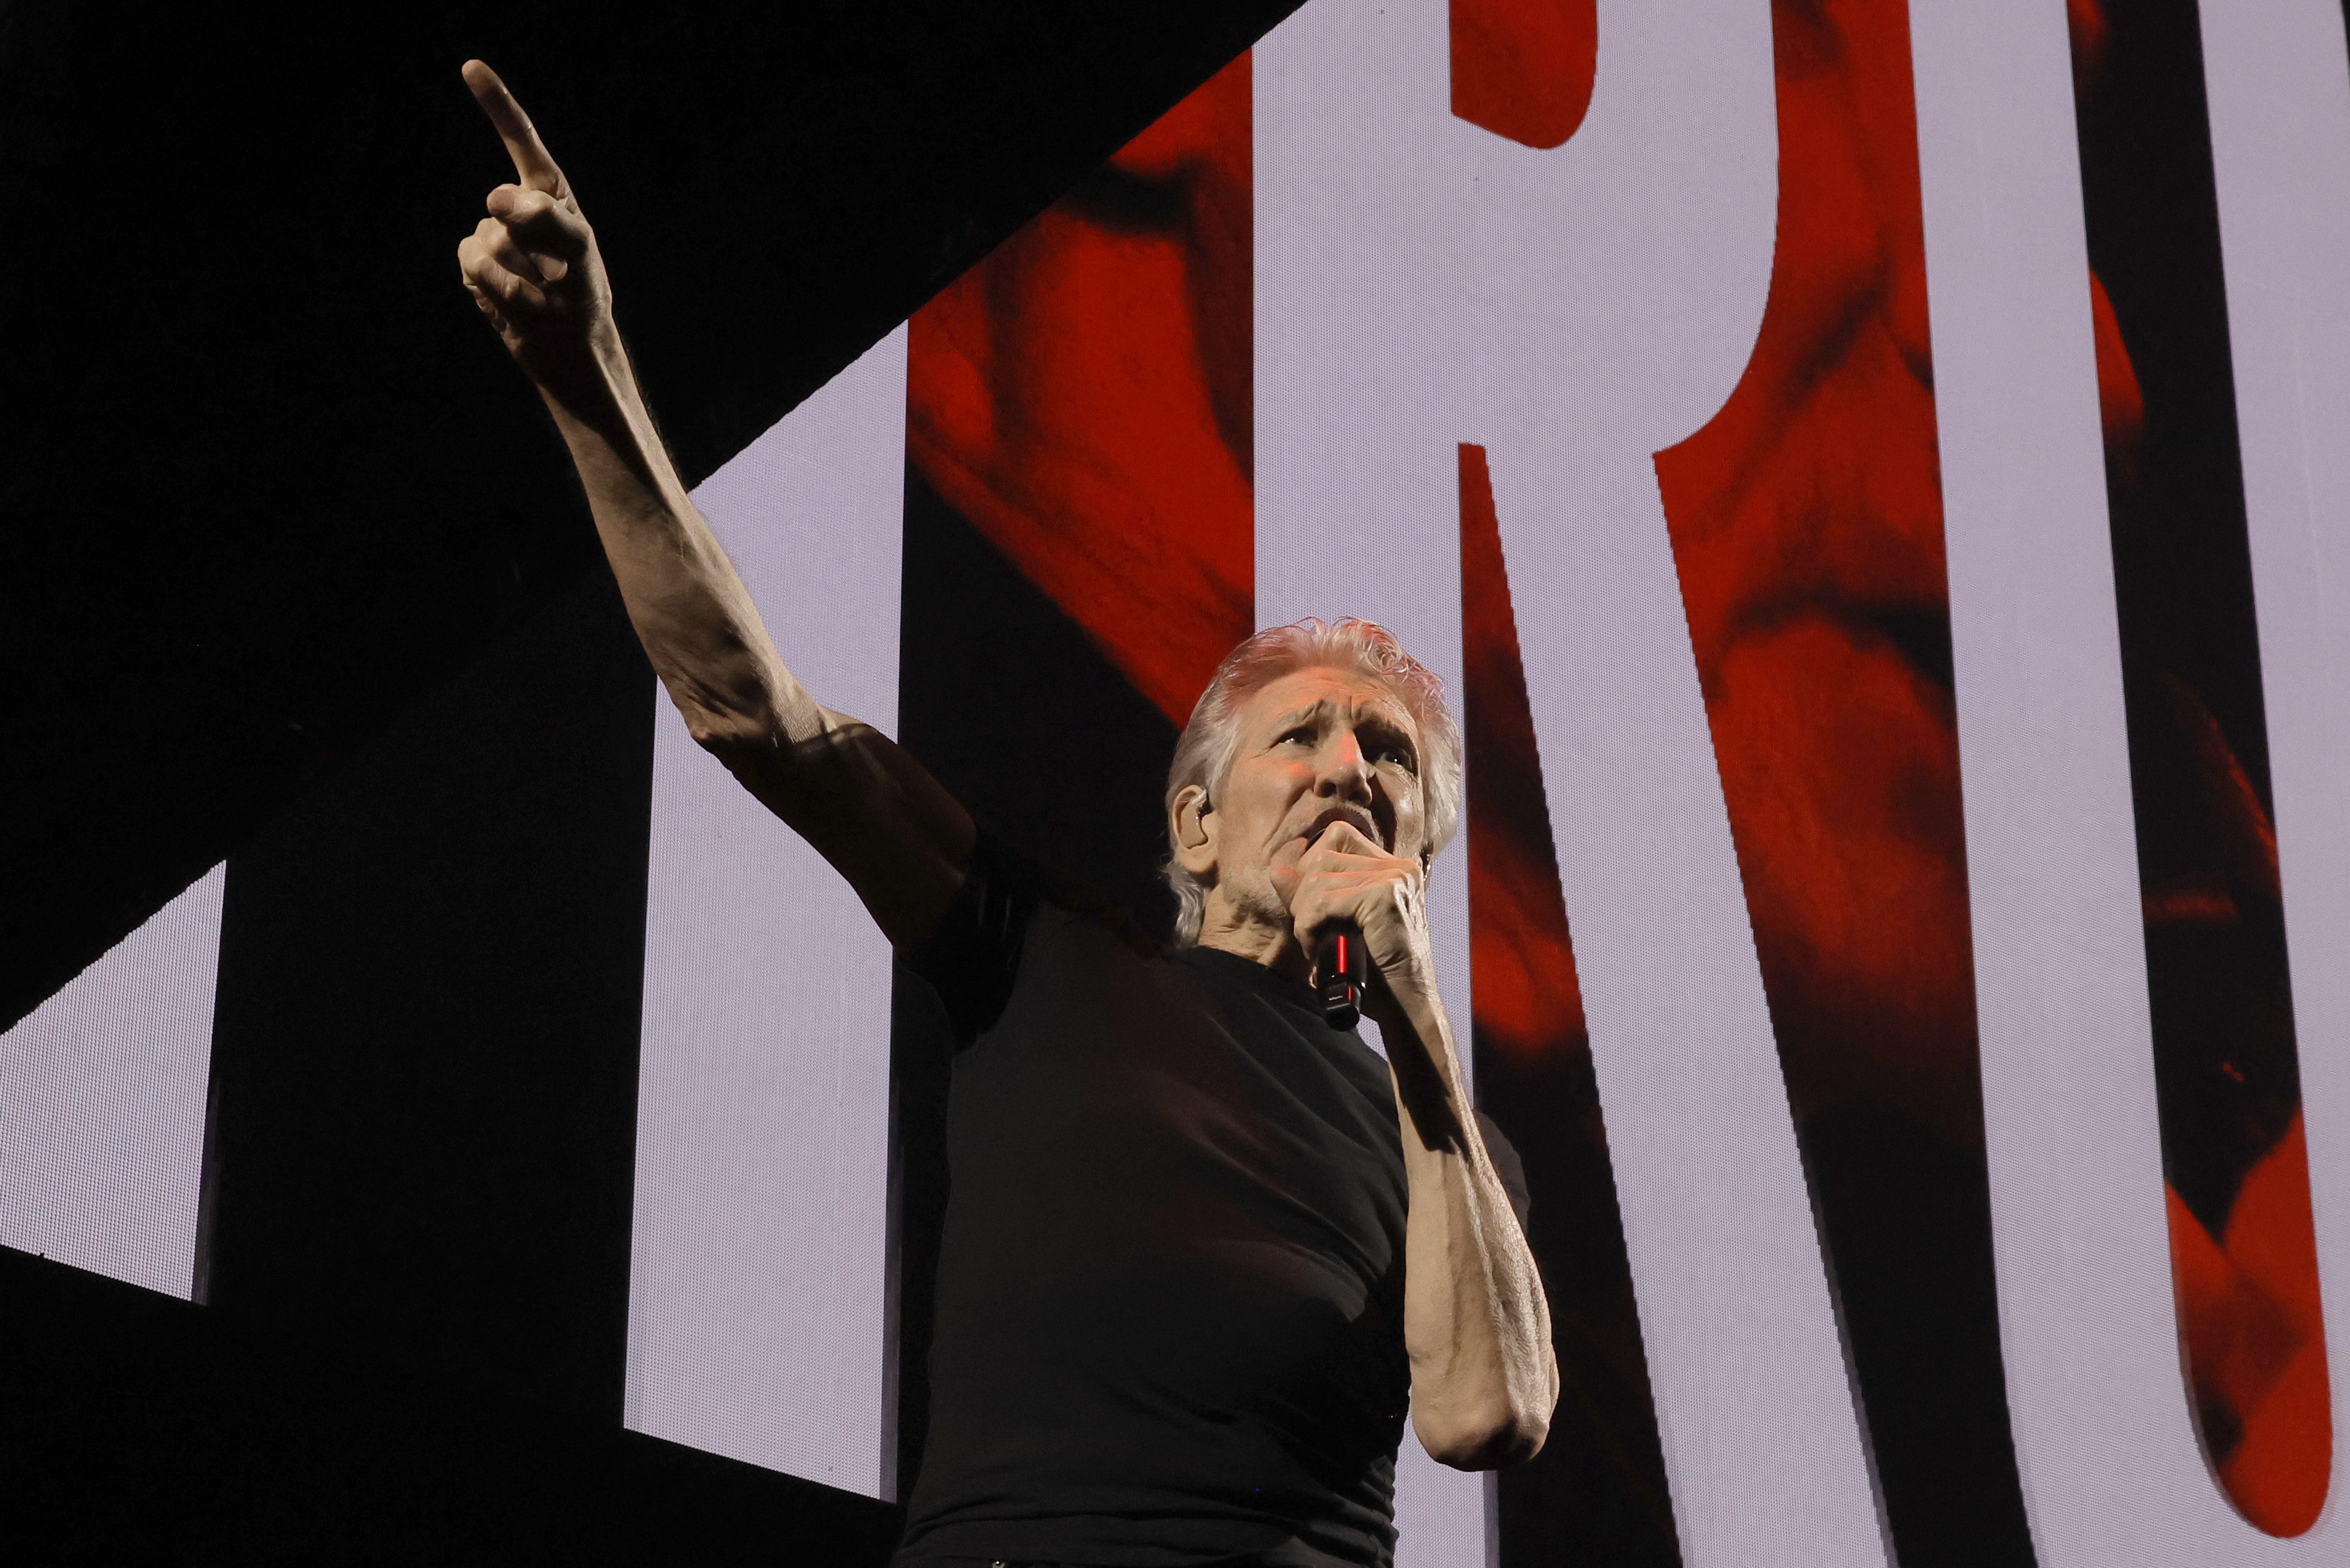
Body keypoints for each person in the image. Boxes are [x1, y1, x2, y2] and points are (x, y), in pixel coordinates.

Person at [451, 60, 1558, 1568]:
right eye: (1301, 735)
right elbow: (761, 718)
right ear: (1192, 828)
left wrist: (1418, 1019)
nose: (1351, 765)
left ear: (1422, 853)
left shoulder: (1445, 1142)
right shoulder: (1049, 957)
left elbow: (1486, 1417)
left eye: (1388, 756)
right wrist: (590, 383)